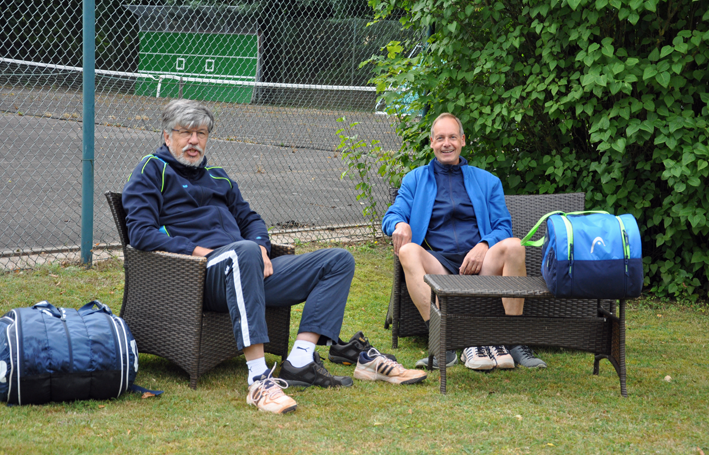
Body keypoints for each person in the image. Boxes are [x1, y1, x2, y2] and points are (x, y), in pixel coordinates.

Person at [123, 99, 362, 414]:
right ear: (167, 136)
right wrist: (200, 252)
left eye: (201, 133)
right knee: (243, 252)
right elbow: (141, 233)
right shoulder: (152, 170)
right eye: (185, 133)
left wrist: (261, 247)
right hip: (199, 276)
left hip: (247, 265)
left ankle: (301, 361)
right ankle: (259, 379)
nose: (194, 141)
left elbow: (251, 220)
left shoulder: (218, 176)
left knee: (338, 260)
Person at [381, 112, 546, 371]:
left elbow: (503, 226)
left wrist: (484, 245)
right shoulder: (415, 179)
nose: (446, 143)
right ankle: (441, 345)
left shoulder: (488, 181)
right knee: (408, 251)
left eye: (452, 137)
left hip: (482, 262)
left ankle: (515, 342)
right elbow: (393, 214)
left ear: (463, 140)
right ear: (432, 143)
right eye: (440, 138)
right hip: (440, 264)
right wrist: (399, 224)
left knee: (515, 245)